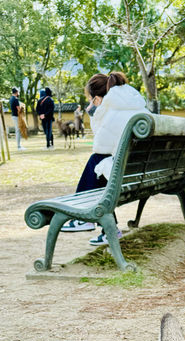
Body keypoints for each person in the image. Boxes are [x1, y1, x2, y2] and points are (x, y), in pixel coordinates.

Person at [61, 71, 149, 243]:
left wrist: (95, 115)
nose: (89, 103)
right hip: (144, 169)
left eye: (89, 98)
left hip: (128, 173)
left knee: (97, 162)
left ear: (97, 99)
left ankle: (83, 216)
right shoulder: (134, 107)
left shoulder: (113, 113)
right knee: (102, 166)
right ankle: (110, 230)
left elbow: (100, 147)